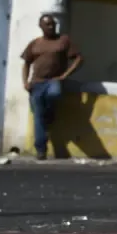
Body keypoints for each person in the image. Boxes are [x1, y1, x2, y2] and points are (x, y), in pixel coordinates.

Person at [21, 14, 83, 160]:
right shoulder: (35, 43)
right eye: (47, 24)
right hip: (36, 83)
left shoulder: (63, 40)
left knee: (54, 94)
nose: (51, 27)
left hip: (53, 81)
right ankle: (41, 150)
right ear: (41, 26)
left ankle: (49, 115)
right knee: (38, 117)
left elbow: (79, 59)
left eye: (53, 24)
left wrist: (65, 75)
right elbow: (26, 63)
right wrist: (25, 82)